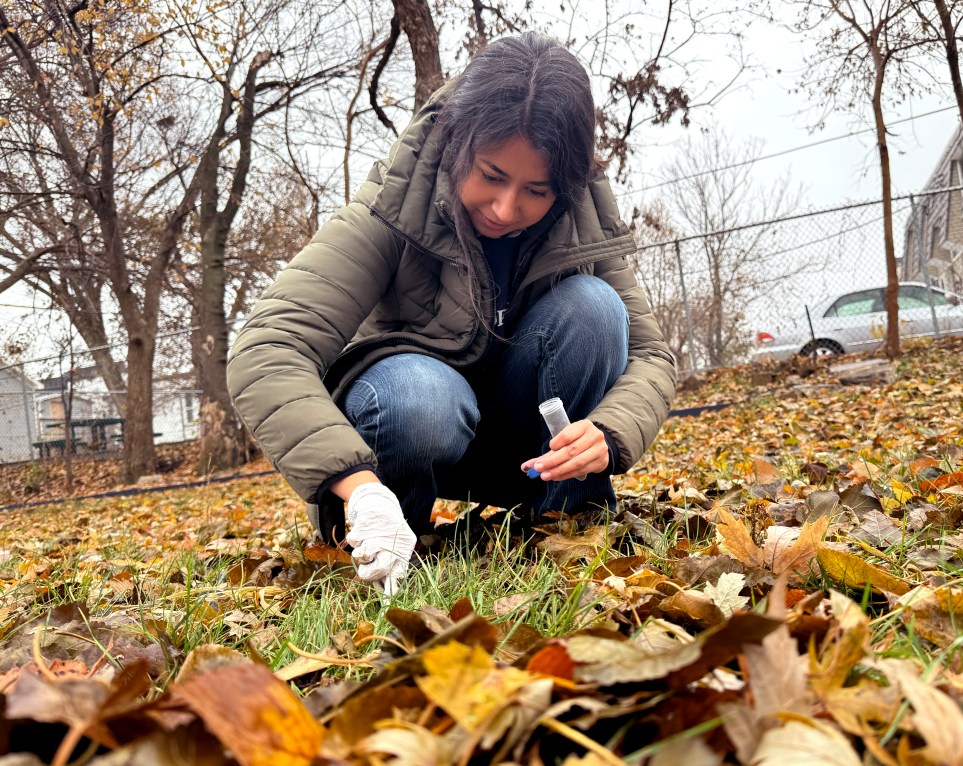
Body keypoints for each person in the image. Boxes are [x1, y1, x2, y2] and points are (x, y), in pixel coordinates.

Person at [226, 31, 676, 594]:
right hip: (412, 423)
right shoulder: (392, 207)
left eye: (535, 190)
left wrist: (610, 432)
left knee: (594, 307)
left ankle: (565, 518)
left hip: (521, 445)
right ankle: (388, 537)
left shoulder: (580, 222)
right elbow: (266, 349)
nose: (507, 208)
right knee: (420, 394)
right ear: (456, 142)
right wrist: (356, 486)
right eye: (490, 176)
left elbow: (651, 355)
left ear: (565, 186)